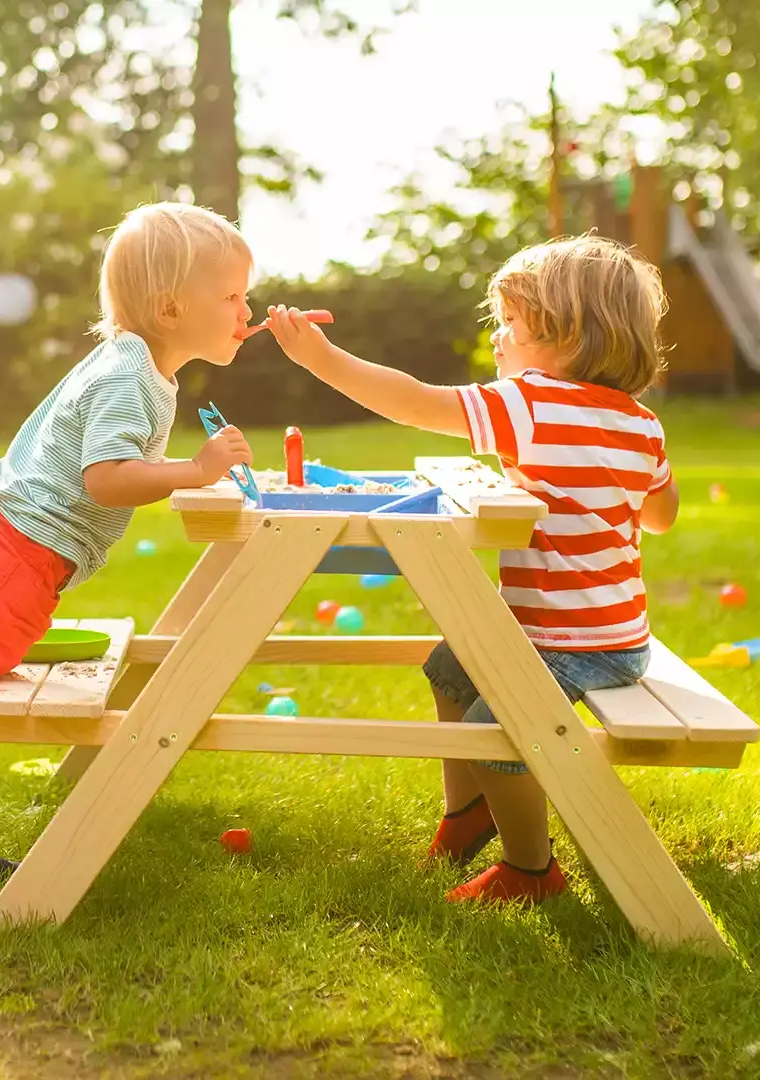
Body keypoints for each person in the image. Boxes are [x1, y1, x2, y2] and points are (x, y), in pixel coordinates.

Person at [0, 203, 256, 901]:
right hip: (8, 552)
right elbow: (107, 477)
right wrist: (194, 470)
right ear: (171, 307)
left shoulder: (135, 363)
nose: (247, 309)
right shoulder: (130, 378)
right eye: (233, 296)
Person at [266, 234, 679, 906]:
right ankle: (468, 817)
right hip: (616, 636)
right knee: (449, 665)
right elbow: (661, 514)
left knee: (498, 725)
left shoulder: (532, 403)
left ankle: (530, 870)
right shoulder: (641, 423)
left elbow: (414, 402)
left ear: (566, 333)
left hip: (572, 644)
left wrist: (320, 359)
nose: (498, 341)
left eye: (510, 325)